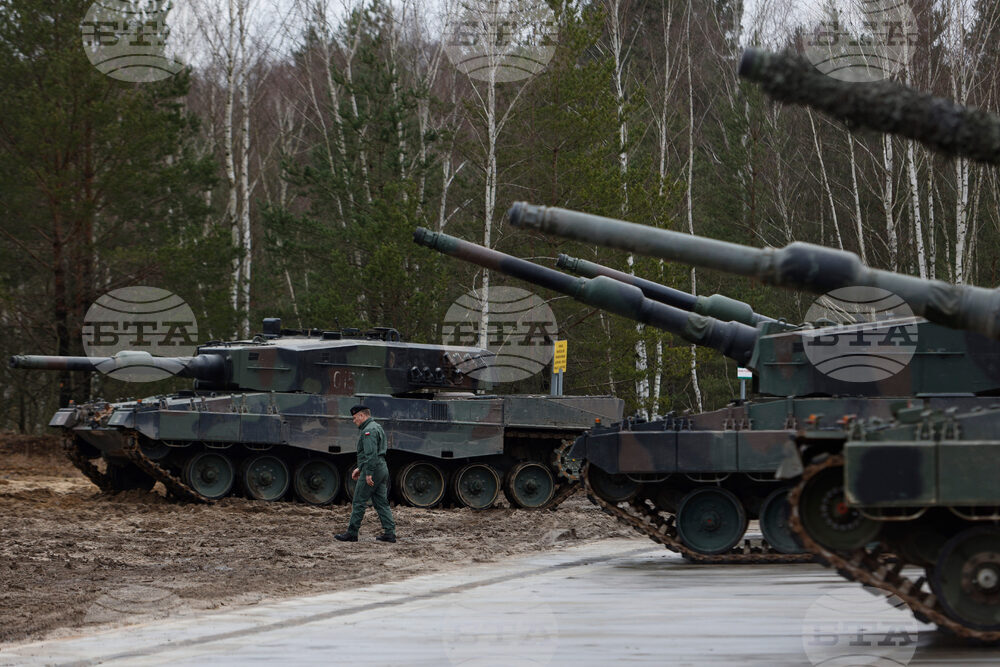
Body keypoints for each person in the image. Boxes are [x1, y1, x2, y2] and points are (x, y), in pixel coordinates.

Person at [336, 405, 397, 543]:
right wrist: (360, 468)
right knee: (381, 502)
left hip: (373, 469)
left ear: (362, 416)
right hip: (381, 468)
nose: (354, 420)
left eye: (354, 417)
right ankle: (390, 533)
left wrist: (368, 473)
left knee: (358, 501)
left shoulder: (368, 431)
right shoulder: (377, 426)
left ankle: (352, 533)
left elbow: (371, 453)